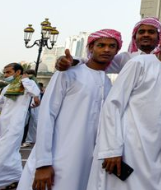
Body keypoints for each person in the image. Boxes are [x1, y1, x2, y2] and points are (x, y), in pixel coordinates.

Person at [87, 25, 161, 190]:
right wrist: (112, 149)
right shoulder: (139, 63)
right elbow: (113, 104)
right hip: (128, 145)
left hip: (155, 149)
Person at [17, 29, 121, 190]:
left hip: (86, 161)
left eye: (112, 46)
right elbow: (47, 115)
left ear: (116, 51)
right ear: (91, 48)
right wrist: (43, 162)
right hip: (56, 157)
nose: (106, 49)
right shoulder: (68, 73)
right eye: (101, 45)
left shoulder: (108, 83)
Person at [56, 17, 161, 74]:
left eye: (151, 32)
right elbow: (92, 63)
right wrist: (71, 61)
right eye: (142, 32)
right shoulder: (126, 58)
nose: (146, 35)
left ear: (159, 36)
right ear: (135, 37)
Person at [0, 63, 41, 189]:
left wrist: (25, 80)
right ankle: (15, 177)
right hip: (4, 122)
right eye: (5, 72)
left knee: (5, 151)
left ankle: (4, 179)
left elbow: (35, 92)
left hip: (16, 124)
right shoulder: (7, 88)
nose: (6, 75)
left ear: (18, 72)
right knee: (11, 152)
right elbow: (1, 102)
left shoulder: (28, 84)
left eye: (8, 72)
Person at [21, 69, 39, 148]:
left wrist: (35, 98)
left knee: (27, 124)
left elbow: (34, 92)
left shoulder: (30, 81)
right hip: (28, 106)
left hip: (29, 106)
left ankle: (27, 140)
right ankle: (27, 140)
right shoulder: (31, 81)